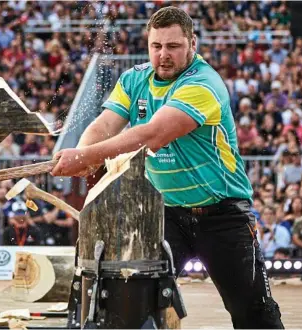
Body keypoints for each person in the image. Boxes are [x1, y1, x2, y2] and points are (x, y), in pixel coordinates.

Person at [51, 7, 284, 328]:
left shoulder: (204, 83)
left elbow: (153, 135)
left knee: (252, 312)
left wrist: (85, 157)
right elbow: (104, 125)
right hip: (165, 215)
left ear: (192, 44)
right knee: (135, 303)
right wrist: (83, 152)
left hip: (222, 215)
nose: (163, 55)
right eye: (156, 46)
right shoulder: (134, 79)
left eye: (173, 46)